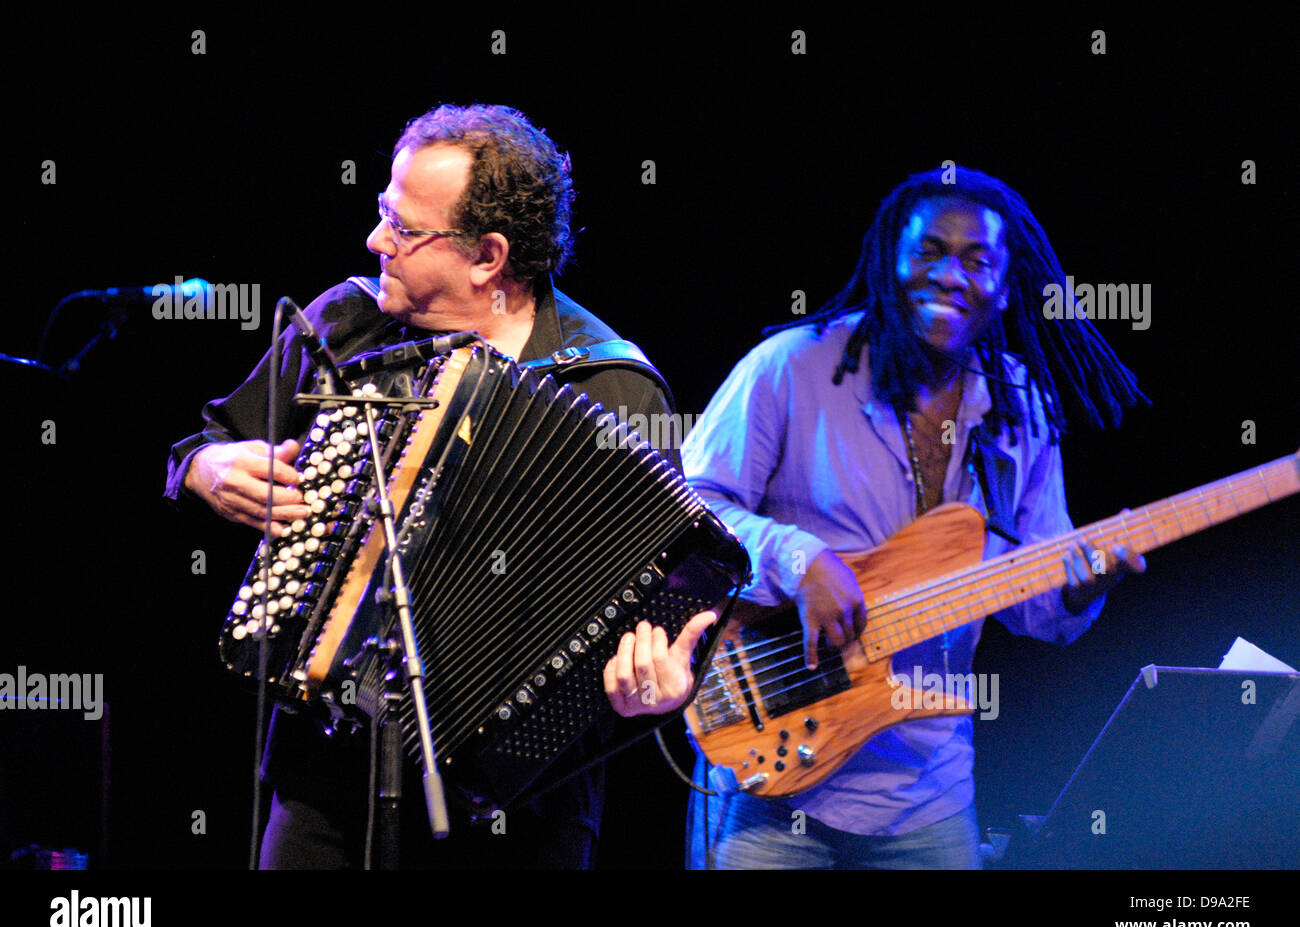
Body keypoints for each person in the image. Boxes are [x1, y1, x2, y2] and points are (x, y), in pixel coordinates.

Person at [165, 103, 712, 868]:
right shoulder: (344, 324)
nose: (374, 241)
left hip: (522, 810)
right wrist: (207, 469)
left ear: (488, 256)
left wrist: (649, 691)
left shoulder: (612, 389)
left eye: (404, 229)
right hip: (326, 780)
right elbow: (210, 439)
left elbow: (666, 604)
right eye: (383, 214)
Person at [682, 166, 1148, 869]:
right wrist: (797, 556)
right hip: (771, 774)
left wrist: (1078, 589)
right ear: (887, 258)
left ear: (1005, 283)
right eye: (928, 251)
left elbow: (1032, 608)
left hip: (927, 795)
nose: (949, 275)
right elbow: (688, 510)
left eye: (976, 259)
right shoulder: (793, 367)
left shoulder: (1020, 407)